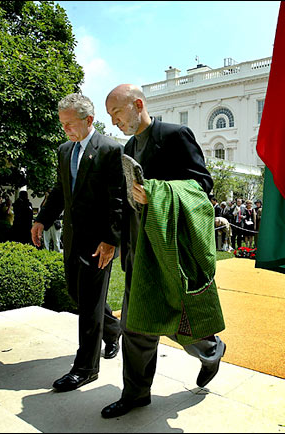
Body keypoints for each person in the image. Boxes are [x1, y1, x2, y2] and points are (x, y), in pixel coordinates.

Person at [102, 84, 227, 419]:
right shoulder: (129, 146)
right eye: (111, 117)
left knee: (175, 321)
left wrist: (155, 192)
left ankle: (211, 349)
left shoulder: (175, 135)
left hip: (168, 249)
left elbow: (202, 185)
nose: (115, 123)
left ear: (137, 104)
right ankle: (136, 394)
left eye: (117, 114)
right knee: (135, 326)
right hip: (137, 250)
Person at [31, 93, 123, 392]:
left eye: (70, 124)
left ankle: (85, 368)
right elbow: (60, 190)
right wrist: (42, 219)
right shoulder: (64, 151)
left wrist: (111, 240)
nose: (66, 130)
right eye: (63, 124)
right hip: (72, 239)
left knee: (90, 304)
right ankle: (113, 329)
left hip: (99, 243)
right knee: (77, 294)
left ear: (88, 120)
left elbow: (118, 200)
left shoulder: (110, 150)